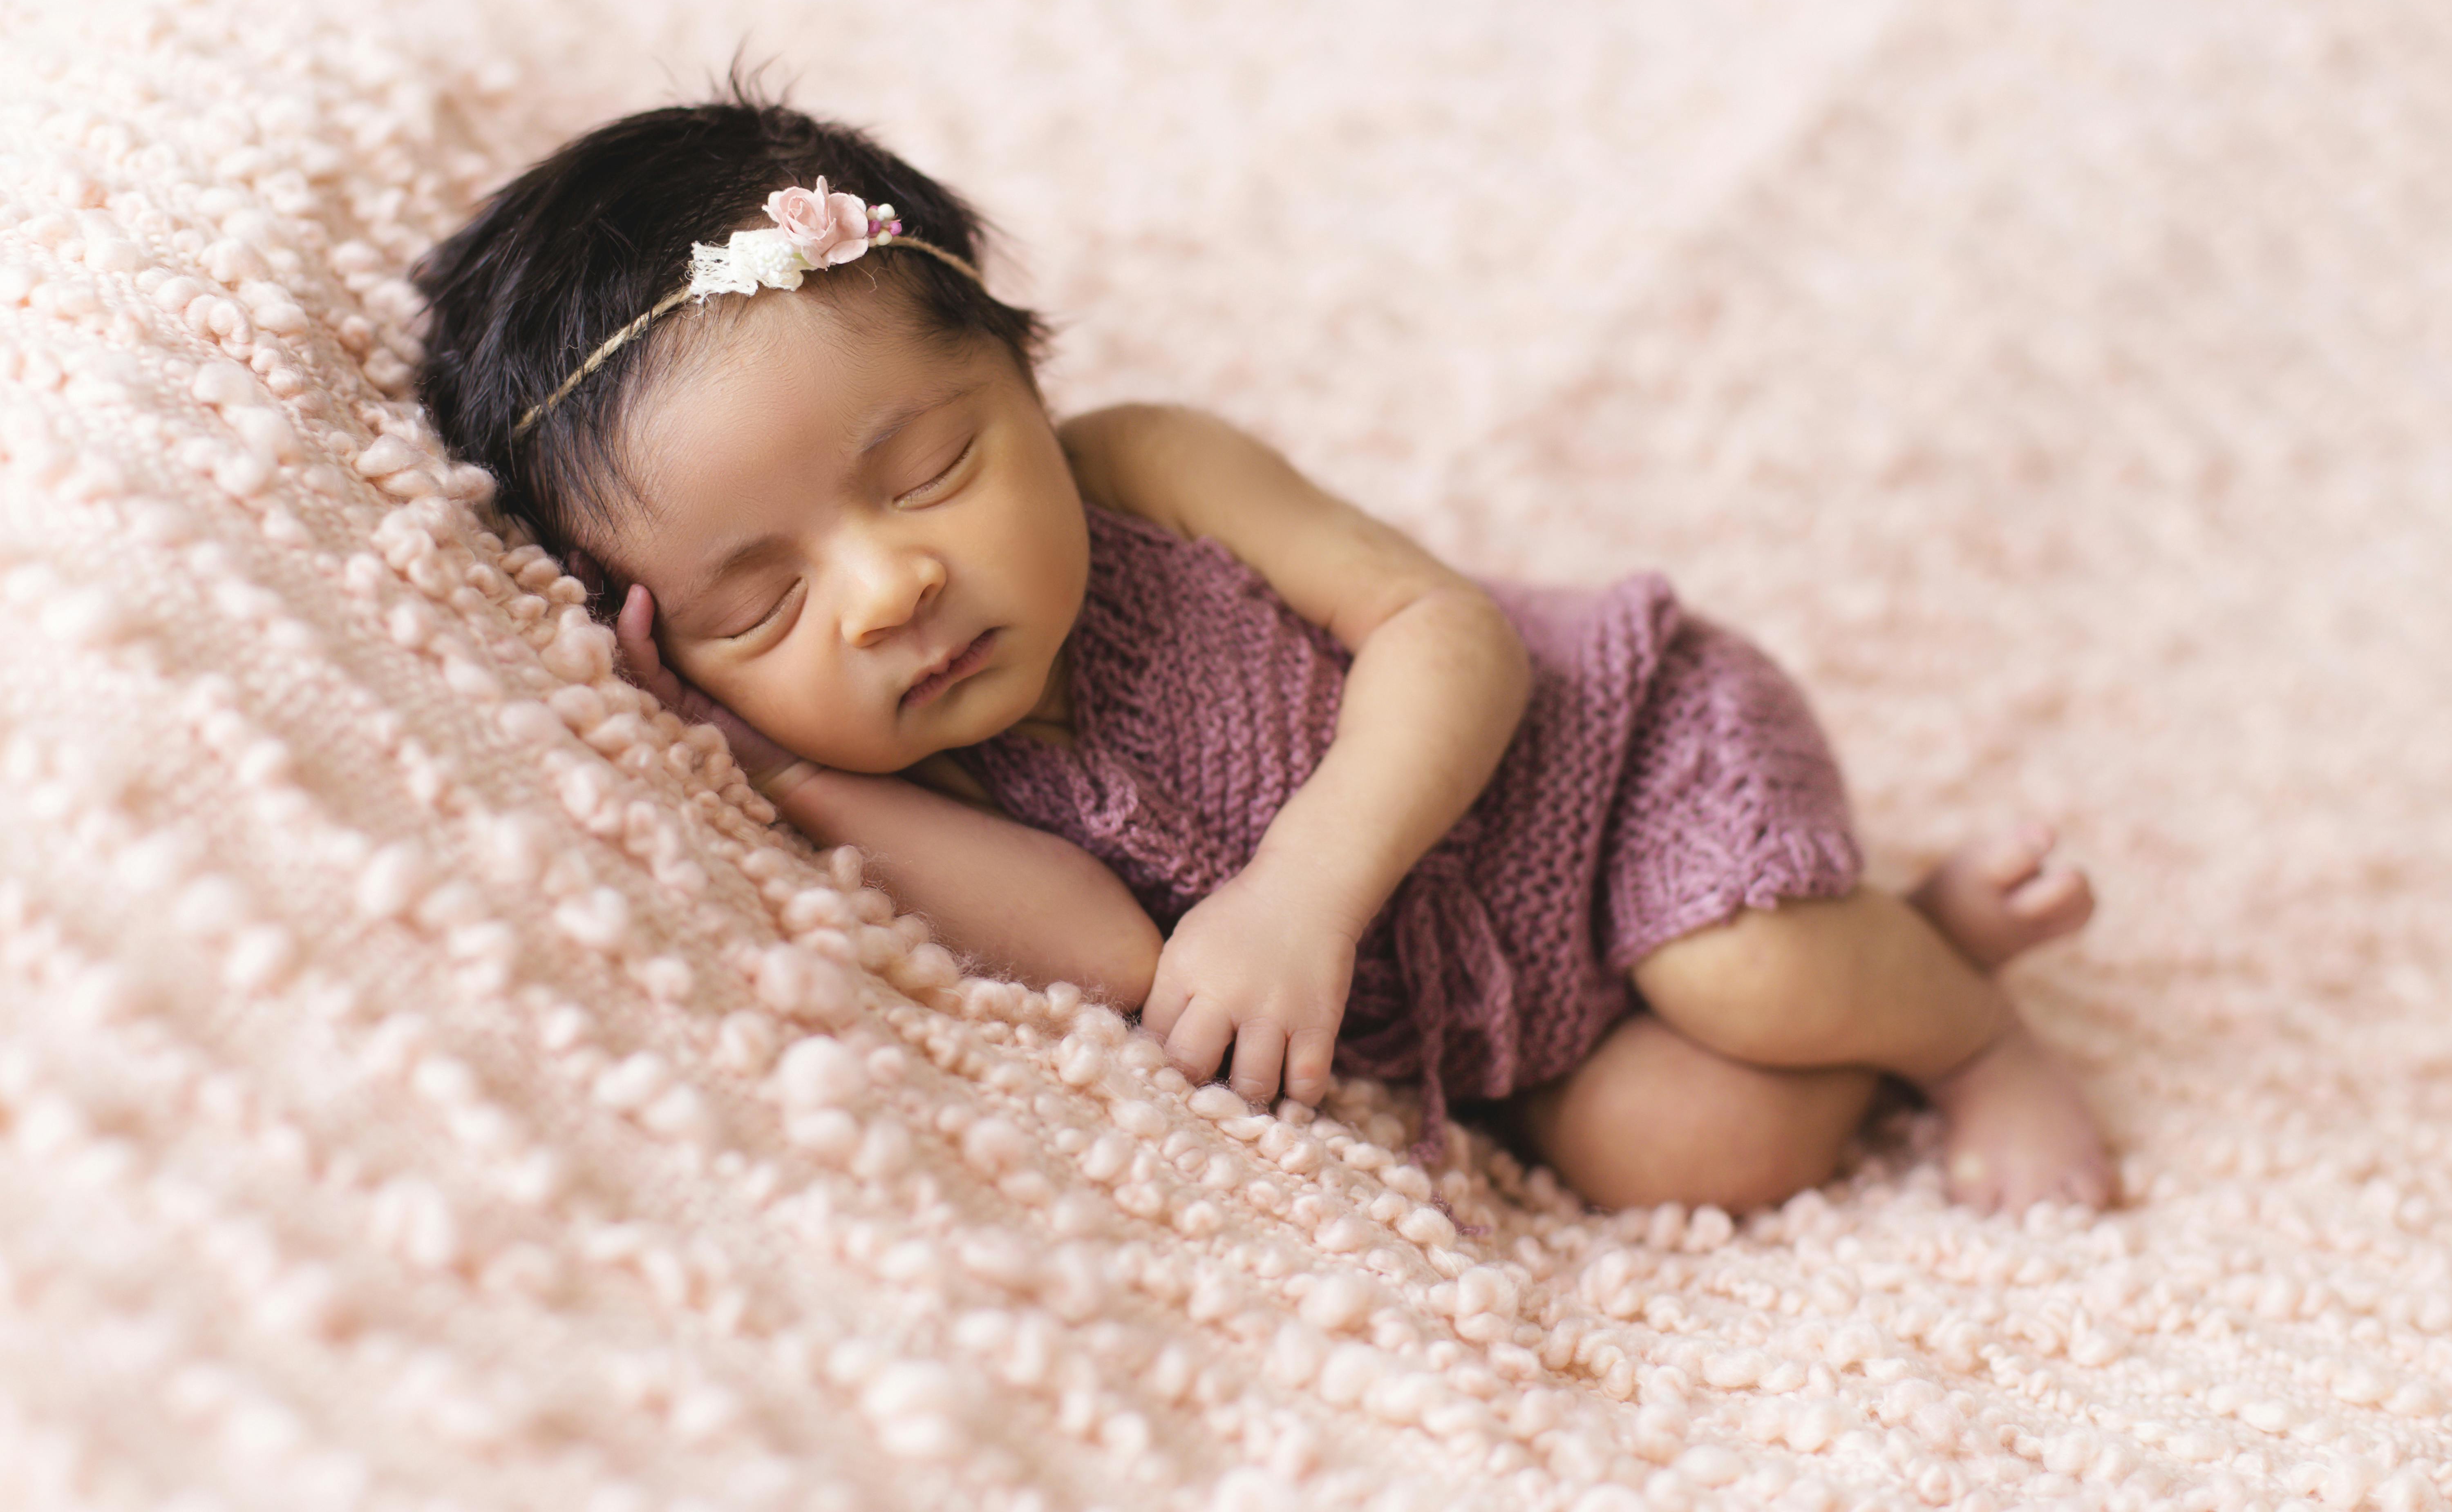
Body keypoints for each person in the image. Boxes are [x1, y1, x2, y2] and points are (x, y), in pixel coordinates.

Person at [414, 91, 2112, 1215]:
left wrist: (1302, 894)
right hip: (1534, 1024)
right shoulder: (889, 755)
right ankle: (1896, 925)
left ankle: (1964, 1027)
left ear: (1031, 381)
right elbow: (1105, 952)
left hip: (1632, 759)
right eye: (754, 606)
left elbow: (1451, 636)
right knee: (1689, 1156)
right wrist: (779, 770)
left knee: (1745, 974)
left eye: (928, 470)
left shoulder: (1151, 472)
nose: (884, 592)